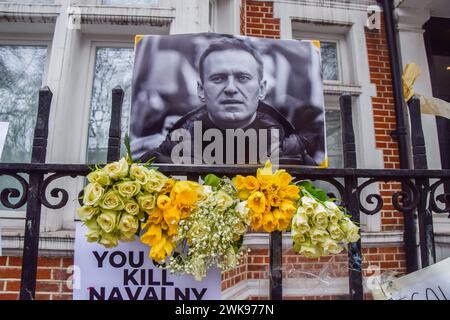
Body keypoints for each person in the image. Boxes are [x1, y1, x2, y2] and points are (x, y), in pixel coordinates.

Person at [139, 37, 316, 165]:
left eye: (243, 77)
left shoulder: (294, 155)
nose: (231, 88)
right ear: (201, 90)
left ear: (261, 89)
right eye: (218, 78)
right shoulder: (163, 157)